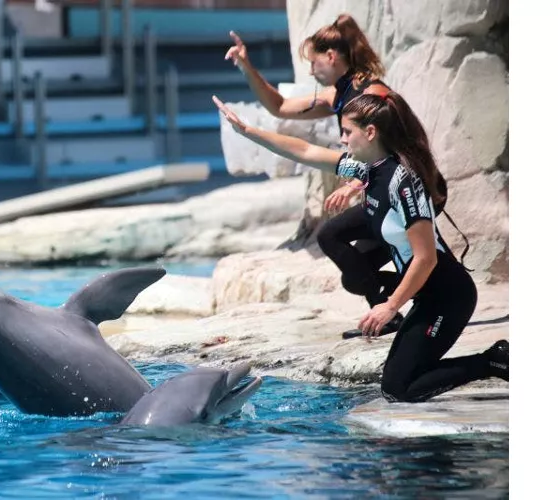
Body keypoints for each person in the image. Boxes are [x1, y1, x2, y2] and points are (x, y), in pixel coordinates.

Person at [212, 90, 508, 402]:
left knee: (399, 388)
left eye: (346, 132)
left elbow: (426, 257)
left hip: (449, 296)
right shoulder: (368, 170)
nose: (342, 140)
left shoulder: (404, 182)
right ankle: (479, 359)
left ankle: (491, 360)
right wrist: (248, 132)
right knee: (397, 382)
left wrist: (389, 307)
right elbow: (305, 151)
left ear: (370, 132)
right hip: (425, 295)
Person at [226, 14, 457, 339]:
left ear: (332, 56)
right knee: (348, 260)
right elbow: (279, 107)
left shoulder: (371, 93)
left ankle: (417, 303)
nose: (311, 70)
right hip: (383, 189)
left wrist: (354, 183)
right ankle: (392, 306)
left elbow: (396, 147)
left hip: (412, 188)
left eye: (314, 62)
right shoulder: (341, 93)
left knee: (397, 255)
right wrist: (246, 66)